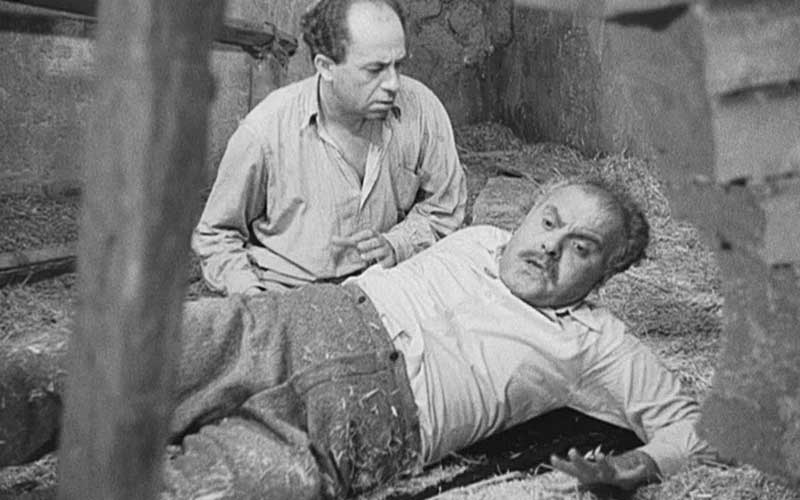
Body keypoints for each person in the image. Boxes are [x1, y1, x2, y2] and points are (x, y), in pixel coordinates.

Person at [0, 177, 710, 499]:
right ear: (528, 214)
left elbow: (697, 429)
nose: (551, 246)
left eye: (582, 248)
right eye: (549, 220)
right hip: (289, 324)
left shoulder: (598, 341)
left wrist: (638, 467)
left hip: (362, 427)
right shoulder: (478, 239)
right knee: (74, 365)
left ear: (606, 273)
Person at [192, 0, 467, 295]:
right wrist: (253, 296)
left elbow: (444, 208)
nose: (393, 83)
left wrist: (397, 244)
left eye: (397, 65)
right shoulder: (264, 132)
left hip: (387, 287)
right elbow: (216, 235)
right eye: (375, 69)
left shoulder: (421, 108)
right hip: (290, 294)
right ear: (325, 67)